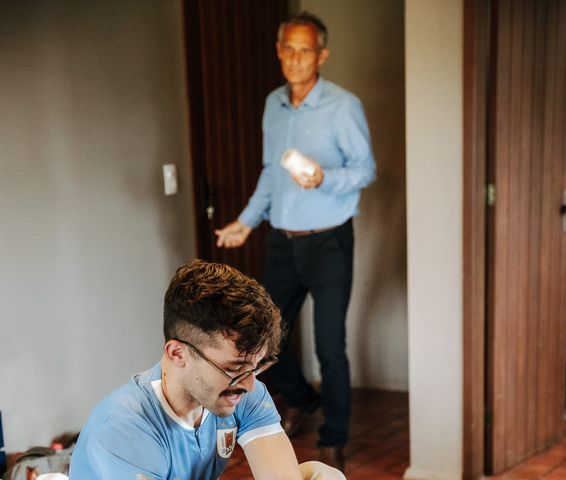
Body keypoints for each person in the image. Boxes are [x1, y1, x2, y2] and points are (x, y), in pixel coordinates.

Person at [215, 11, 376, 472]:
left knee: (330, 346)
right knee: (258, 342)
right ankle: (302, 398)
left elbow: (366, 169)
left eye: (305, 50)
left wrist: (324, 177)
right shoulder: (273, 104)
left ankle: (334, 439)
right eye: (288, 48)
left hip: (329, 242)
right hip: (282, 243)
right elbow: (271, 171)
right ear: (278, 51)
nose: (295, 58)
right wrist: (247, 222)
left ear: (321, 55)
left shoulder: (343, 106)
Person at [69, 260, 344, 480]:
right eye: (234, 368)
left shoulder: (242, 389)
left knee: (322, 476)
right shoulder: (123, 429)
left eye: (256, 367)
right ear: (178, 353)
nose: (250, 385)